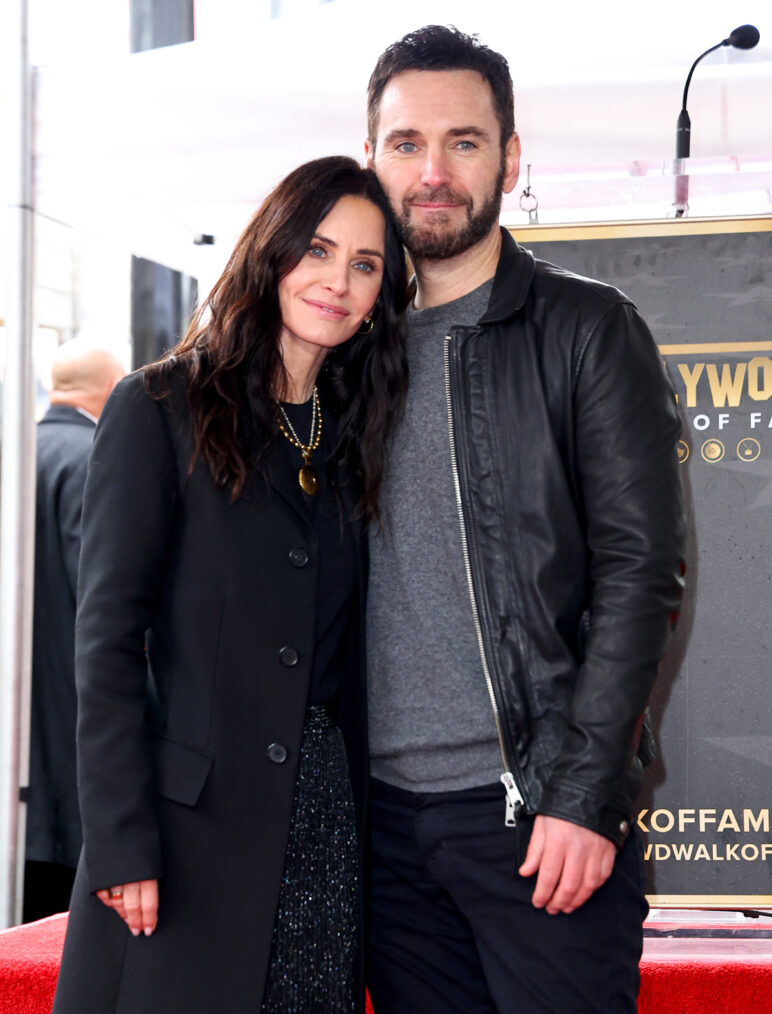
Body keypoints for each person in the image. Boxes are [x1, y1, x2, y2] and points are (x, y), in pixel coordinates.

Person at [363, 25, 686, 1014]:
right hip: (379, 831)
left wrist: (587, 797)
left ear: (509, 157)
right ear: (370, 158)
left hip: (535, 820)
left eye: (462, 142)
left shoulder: (587, 329)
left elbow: (645, 576)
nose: (432, 172)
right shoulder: (342, 350)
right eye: (405, 143)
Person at [52, 155, 408, 1014]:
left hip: (323, 820)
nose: (338, 281)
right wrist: (121, 839)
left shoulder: (357, 431)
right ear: (271, 252)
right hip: (184, 836)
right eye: (318, 251)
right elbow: (104, 641)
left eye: (365, 266)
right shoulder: (160, 406)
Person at [25, 341, 125, 924]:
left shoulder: (20, 452)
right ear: (112, 391)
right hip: (71, 710)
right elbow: (104, 594)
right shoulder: (92, 457)